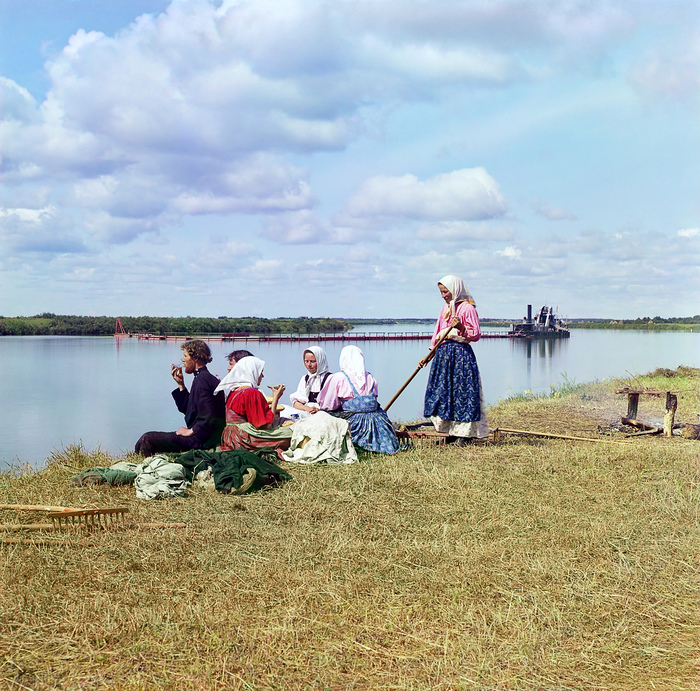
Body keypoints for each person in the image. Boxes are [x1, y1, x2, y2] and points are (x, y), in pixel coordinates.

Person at [421, 275, 488, 444]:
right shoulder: (444, 309)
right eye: (441, 292)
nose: (443, 296)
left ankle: (464, 435)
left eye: (446, 292)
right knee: (443, 393)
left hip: (460, 356)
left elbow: (475, 334)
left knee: (462, 393)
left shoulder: (467, 308)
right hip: (443, 356)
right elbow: (437, 335)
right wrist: (429, 356)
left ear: (455, 290)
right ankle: (448, 432)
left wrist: (460, 327)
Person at [135, 340, 225, 457]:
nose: (182, 360)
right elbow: (189, 410)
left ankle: (143, 464)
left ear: (196, 358)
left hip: (202, 440)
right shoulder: (204, 378)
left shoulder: (202, 380)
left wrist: (191, 431)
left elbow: (210, 415)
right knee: (149, 438)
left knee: (147, 439)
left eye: (185, 356)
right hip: (204, 437)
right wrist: (181, 385)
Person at [318, 345, 399, 454]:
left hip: (354, 423)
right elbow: (374, 399)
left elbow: (328, 405)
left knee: (323, 415)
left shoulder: (339, 378)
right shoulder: (370, 377)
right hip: (377, 420)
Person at [214, 356, 292, 457]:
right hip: (244, 438)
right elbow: (265, 425)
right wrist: (275, 398)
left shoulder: (234, 391)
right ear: (252, 372)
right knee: (290, 434)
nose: (262, 376)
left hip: (230, 437)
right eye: (260, 372)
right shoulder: (251, 393)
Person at [289, 346, 332, 416]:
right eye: (306, 361)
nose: (309, 365)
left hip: (324, 414)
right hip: (307, 412)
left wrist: (319, 409)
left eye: (312, 361)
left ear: (320, 361)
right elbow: (296, 402)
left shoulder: (329, 378)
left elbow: (333, 404)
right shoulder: (305, 379)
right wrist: (306, 408)